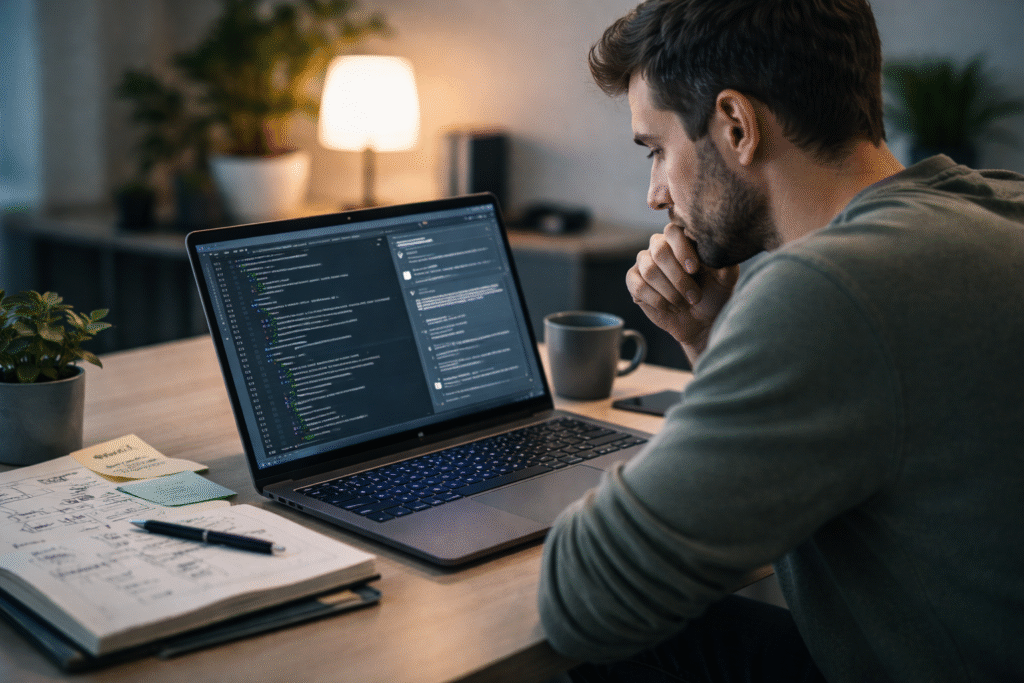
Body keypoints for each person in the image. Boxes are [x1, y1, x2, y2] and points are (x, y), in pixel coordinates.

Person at [536, 1, 1024, 681]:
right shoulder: (996, 204)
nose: (654, 194)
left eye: (656, 150)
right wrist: (712, 336)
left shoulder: (830, 287)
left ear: (736, 125)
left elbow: (585, 598)